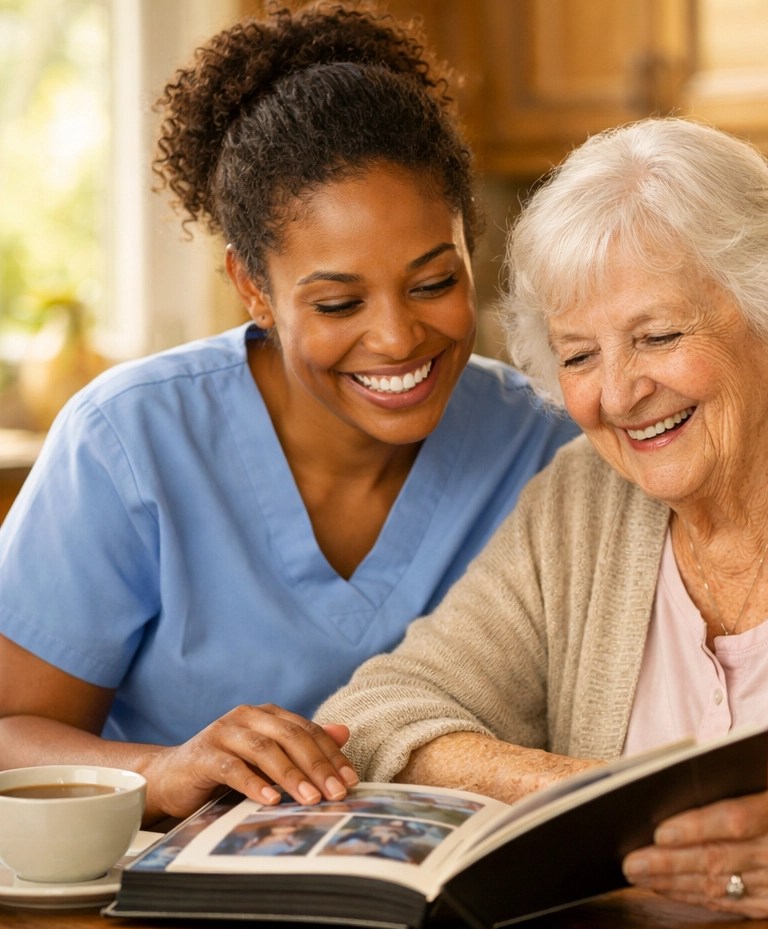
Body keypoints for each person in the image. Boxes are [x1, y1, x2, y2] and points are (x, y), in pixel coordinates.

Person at [315, 116, 768, 919]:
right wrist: (593, 793)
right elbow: (370, 716)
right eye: (579, 355)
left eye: (657, 336)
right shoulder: (581, 498)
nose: (617, 396)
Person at [0, 2, 576, 824]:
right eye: (339, 302)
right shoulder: (129, 441)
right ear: (251, 288)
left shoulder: (548, 445)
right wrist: (165, 771)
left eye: (434, 283)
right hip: (169, 926)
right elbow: (11, 731)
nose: (397, 337)